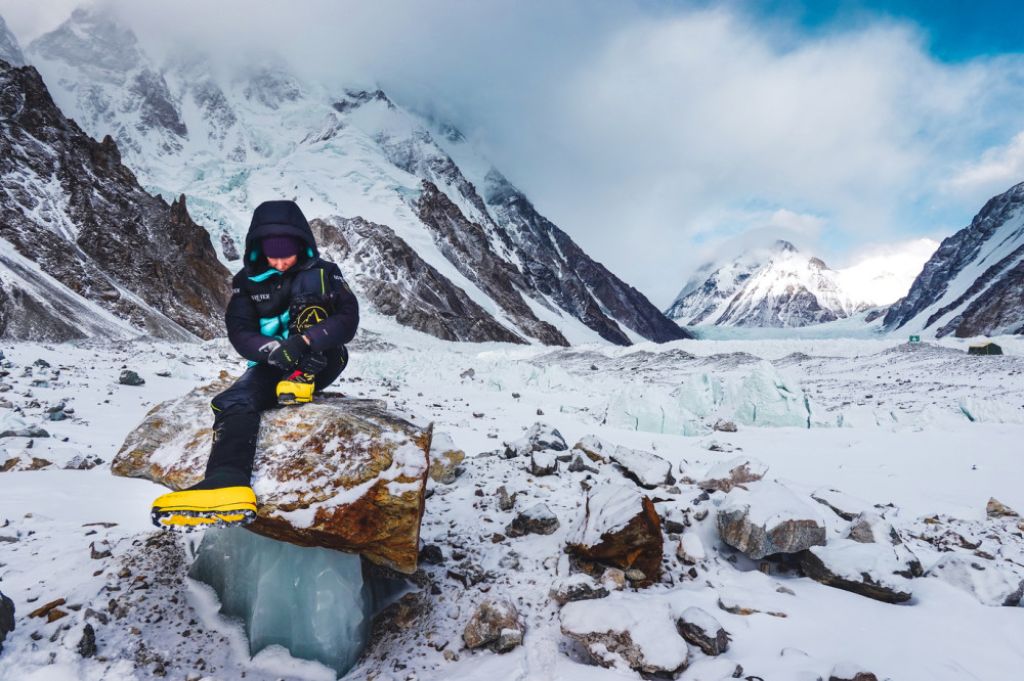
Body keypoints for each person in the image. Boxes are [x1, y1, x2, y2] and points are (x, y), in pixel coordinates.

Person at [150, 200, 359, 528]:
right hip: (276, 362)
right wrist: (272, 350)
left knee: (309, 293)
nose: (279, 261)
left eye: (287, 253)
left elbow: (348, 319)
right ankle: (226, 482)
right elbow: (240, 330)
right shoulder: (247, 282)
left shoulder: (324, 273)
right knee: (234, 400)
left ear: (301, 246)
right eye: (272, 255)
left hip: (325, 355)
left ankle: (302, 376)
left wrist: (303, 342)